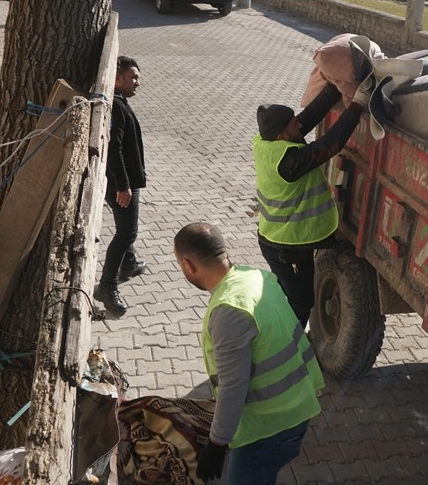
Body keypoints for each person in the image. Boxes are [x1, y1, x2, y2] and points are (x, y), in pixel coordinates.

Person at [174, 222, 324, 485]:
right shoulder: (255, 276)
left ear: (188, 265)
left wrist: (217, 444)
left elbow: (233, 387)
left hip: (269, 428)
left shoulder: (228, 312)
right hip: (296, 406)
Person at [253, 53, 372, 327]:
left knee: (288, 295)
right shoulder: (289, 162)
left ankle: (277, 332)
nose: (299, 124)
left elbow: (307, 118)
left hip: (277, 239)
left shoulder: (267, 140)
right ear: (283, 134)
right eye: (293, 124)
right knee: (299, 304)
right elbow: (330, 144)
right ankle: (285, 348)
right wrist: (358, 105)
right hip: (286, 246)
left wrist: (334, 85)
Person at [96, 56, 148, 315]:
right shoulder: (115, 106)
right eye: (133, 77)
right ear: (117, 78)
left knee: (125, 227)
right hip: (121, 183)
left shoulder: (118, 102)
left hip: (122, 180)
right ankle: (107, 287)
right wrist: (123, 186)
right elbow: (113, 148)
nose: (138, 82)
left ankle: (129, 264)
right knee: (126, 233)